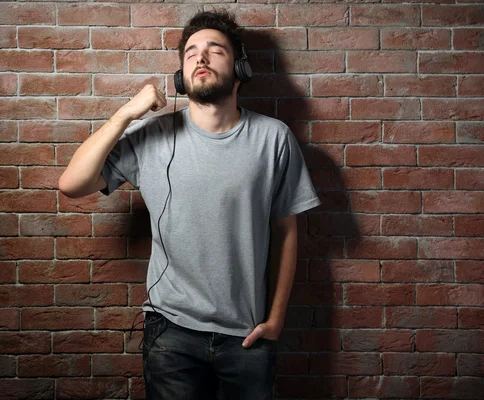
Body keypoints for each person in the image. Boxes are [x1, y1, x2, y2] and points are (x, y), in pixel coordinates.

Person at [58, 9, 321, 400]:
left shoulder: (273, 139)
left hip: (246, 335)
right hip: (171, 334)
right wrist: (127, 113)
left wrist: (276, 318)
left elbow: (286, 232)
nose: (201, 57)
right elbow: (71, 184)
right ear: (181, 75)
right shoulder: (154, 136)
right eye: (191, 52)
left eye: (215, 50)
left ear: (240, 68)